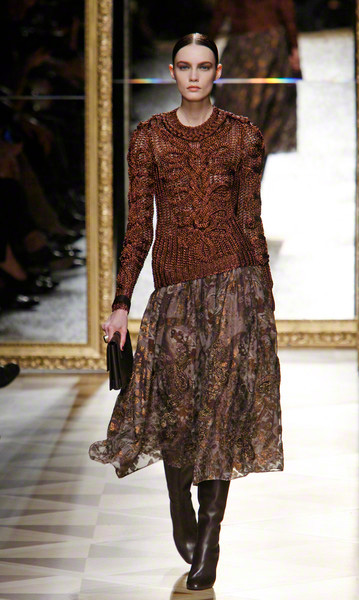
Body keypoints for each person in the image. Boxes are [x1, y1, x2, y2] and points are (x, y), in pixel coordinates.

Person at [89, 32, 284, 591]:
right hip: (173, 294)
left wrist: (264, 300)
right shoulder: (149, 138)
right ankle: (181, 511)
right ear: (172, 72)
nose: (193, 76)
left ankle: (211, 539)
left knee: (219, 412)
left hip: (234, 288)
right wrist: (122, 303)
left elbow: (250, 220)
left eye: (203, 66)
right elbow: (138, 228)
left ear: (217, 72)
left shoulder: (242, 137)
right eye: (184, 66)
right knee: (176, 410)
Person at [209, 0, 301, 171]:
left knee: (241, 117)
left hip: (244, 47)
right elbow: (286, 12)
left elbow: (220, 11)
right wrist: (294, 50)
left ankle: (243, 177)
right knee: (265, 118)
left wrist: (206, 48)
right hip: (269, 47)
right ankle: (250, 177)